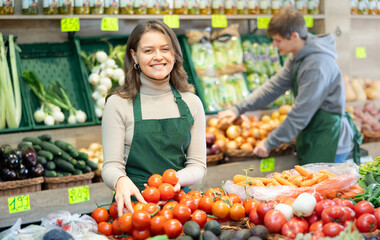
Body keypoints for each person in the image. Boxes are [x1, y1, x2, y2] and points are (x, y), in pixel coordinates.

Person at [218, 8, 362, 165]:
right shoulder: (297, 57)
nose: (274, 45)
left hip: (330, 140)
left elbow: (301, 112)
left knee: (327, 188)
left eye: (278, 40)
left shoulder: (317, 64)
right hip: (313, 133)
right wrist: (238, 109)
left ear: (294, 36)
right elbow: (273, 87)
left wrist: (269, 142)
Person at [101, 20, 207, 217]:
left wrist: (176, 179)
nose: (158, 57)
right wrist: (119, 180)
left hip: (180, 207)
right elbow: (111, 166)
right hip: (134, 209)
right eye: (148, 51)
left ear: (175, 54)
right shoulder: (118, 104)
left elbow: (198, 165)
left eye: (165, 49)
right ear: (134, 56)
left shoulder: (192, 103)